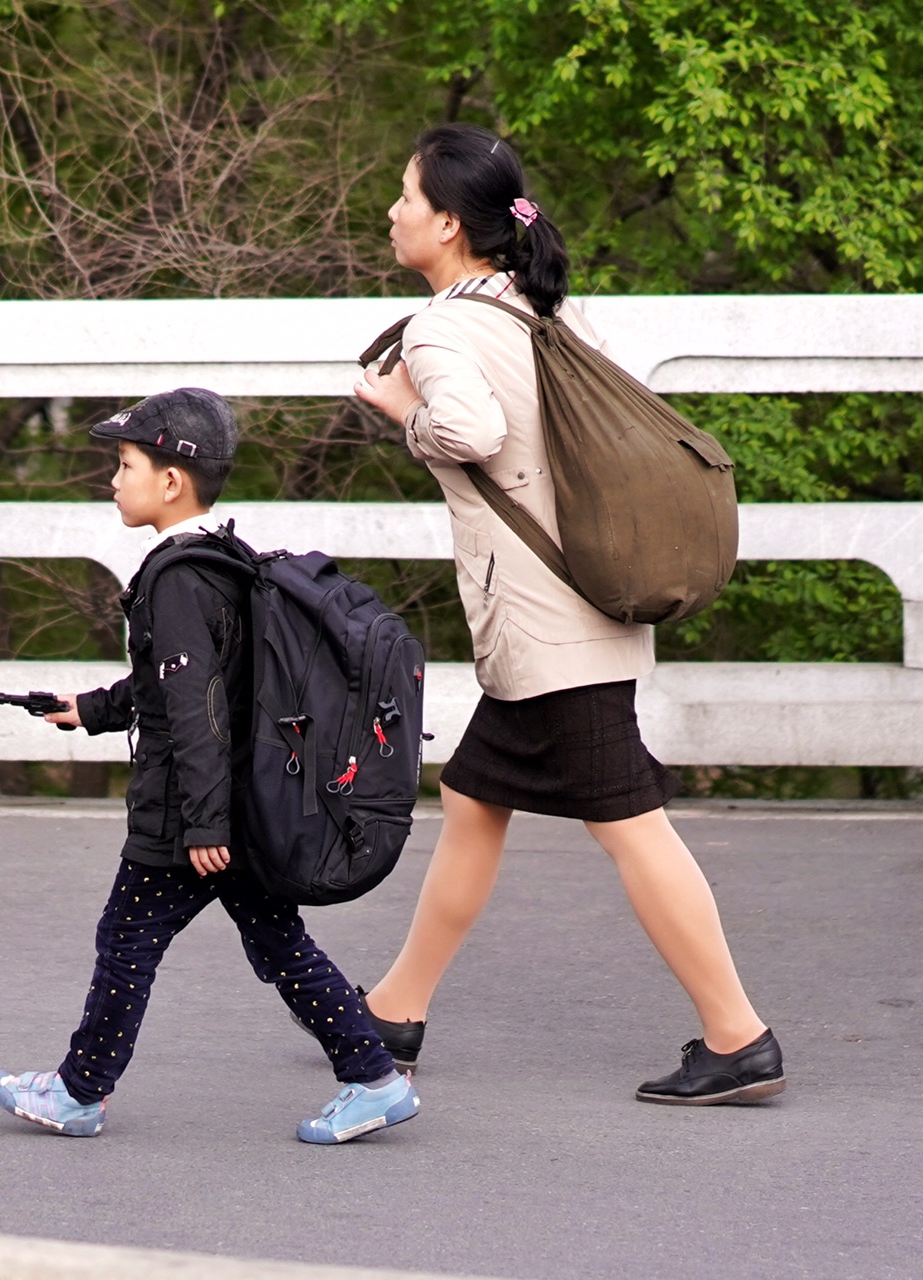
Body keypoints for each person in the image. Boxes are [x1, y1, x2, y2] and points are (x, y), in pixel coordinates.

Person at [350, 123, 785, 1105]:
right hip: (576, 612)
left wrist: (397, 411)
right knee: (473, 803)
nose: (392, 212)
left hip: (555, 635)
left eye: (406, 198)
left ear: (450, 224)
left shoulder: (444, 328)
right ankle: (395, 1005)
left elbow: (473, 429)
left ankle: (738, 1033)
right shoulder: (543, 308)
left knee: (632, 827)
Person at [0, 387, 421, 1143]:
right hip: (235, 807)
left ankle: (78, 1092)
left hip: (193, 816)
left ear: (171, 479)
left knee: (127, 941)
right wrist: (89, 708)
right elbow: (182, 684)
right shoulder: (224, 559)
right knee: (278, 943)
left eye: (124, 464)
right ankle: (374, 1076)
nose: (113, 480)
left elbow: (200, 709)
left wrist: (203, 823)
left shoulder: (176, 577)